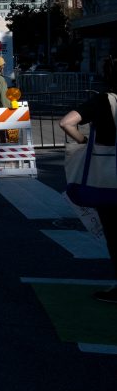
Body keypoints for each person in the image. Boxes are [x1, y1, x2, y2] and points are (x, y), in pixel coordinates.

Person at [59, 77, 117, 304]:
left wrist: (85, 142)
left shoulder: (104, 101)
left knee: (114, 232)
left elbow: (66, 123)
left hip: (107, 178)